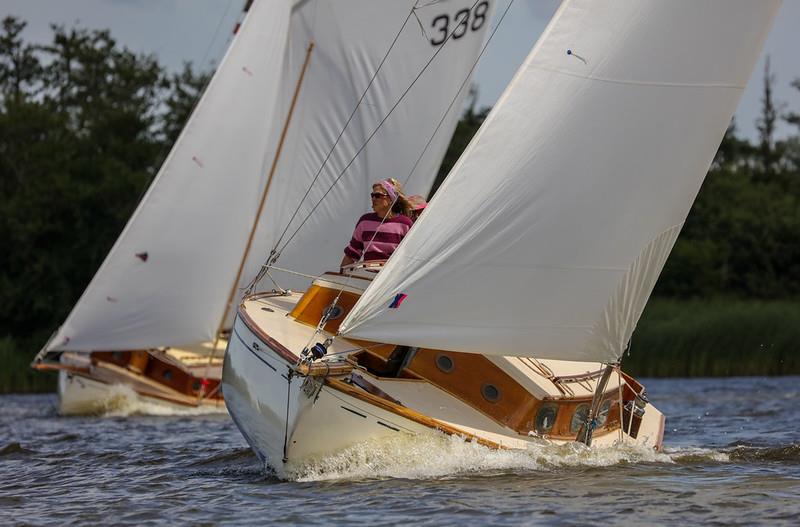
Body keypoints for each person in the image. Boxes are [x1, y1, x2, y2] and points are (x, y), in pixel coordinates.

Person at [341, 179, 412, 269]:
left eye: (378, 195)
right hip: (365, 275)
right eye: (372, 195)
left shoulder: (405, 224)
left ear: (391, 199)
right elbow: (352, 252)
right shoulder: (365, 221)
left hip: (390, 278)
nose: (373, 198)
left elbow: (409, 256)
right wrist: (339, 277)